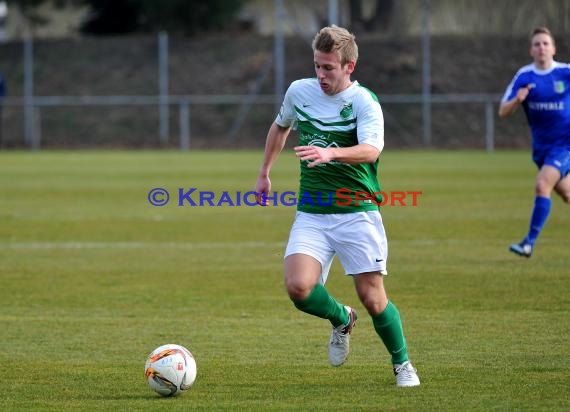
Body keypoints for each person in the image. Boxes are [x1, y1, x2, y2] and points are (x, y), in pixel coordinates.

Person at [254, 25, 420, 387]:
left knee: (373, 298)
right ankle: (342, 318)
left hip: (357, 211)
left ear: (350, 66)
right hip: (312, 213)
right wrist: (265, 171)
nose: (321, 75)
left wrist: (331, 152)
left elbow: (371, 150)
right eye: (317, 66)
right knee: (298, 288)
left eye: (329, 68)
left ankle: (402, 363)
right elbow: (280, 126)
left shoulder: (364, 102)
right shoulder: (300, 91)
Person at [499, 27, 570, 258]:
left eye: (546, 44)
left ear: (554, 48)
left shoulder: (565, 73)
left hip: (565, 145)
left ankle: (528, 243)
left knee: (542, 185)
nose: (542, 48)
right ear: (531, 50)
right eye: (537, 44)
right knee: (567, 194)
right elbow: (502, 111)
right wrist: (517, 101)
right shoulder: (524, 76)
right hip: (541, 149)